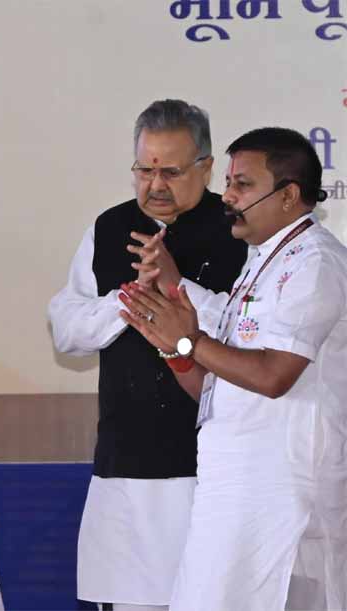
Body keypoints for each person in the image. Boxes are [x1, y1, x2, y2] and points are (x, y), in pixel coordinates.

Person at [119, 127, 346, 610]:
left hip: (278, 488)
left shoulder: (315, 264)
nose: (228, 196)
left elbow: (272, 376)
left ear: (288, 195)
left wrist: (191, 340)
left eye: (242, 184)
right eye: (228, 182)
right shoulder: (262, 261)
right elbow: (215, 385)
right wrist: (174, 347)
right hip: (233, 483)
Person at [48, 99, 247, 611]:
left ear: (206, 167)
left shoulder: (241, 230)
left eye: (171, 172)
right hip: (128, 468)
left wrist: (178, 287)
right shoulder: (108, 227)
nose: (155, 185)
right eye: (144, 170)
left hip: (215, 466)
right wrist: (132, 297)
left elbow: (250, 335)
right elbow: (66, 331)